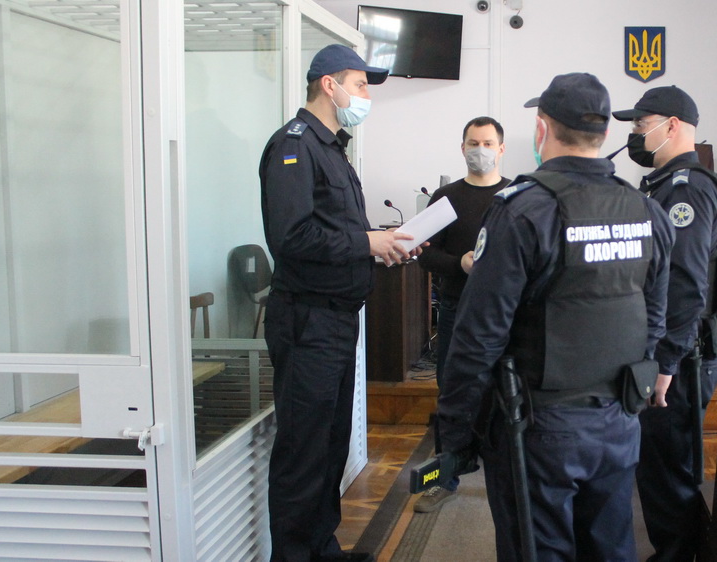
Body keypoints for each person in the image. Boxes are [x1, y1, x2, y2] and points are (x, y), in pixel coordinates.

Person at [436, 73, 675, 560]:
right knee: (609, 547)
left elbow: (479, 336)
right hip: (619, 419)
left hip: (539, 426)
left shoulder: (523, 211)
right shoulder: (646, 211)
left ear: (542, 128)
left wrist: (457, 433)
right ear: (604, 132)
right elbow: (654, 317)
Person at [259, 44, 421, 562]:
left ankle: (322, 549)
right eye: (360, 84)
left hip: (335, 318)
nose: (366, 95)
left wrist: (381, 245)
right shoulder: (293, 146)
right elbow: (291, 237)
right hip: (307, 319)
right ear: (329, 85)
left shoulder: (332, 148)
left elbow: (337, 232)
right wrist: (366, 243)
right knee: (303, 451)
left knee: (329, 445)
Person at [613, 85, 717, 562]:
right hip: (674, 353)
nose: (636, 135)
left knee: (669, 476)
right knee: (659, 471)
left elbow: (685, 285)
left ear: (672, 126)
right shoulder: (664, 184)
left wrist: (664, 363)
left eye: (641, 125)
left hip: (681, 358)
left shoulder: (687, 188)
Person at [415, 116, 510, 513]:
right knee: (452, 394)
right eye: (473, 143)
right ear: (462, 147)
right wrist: (460, 263)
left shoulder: (517, 196)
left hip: (506, 315)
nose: (480, 150)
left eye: (487, 143)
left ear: (501, 149)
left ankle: (507, 479)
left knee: (506, 395)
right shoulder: (446, 197)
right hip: (457, 309)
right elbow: (425, 254)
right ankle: (444, 479)